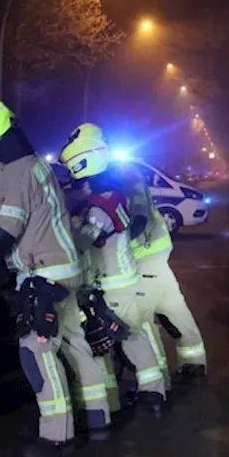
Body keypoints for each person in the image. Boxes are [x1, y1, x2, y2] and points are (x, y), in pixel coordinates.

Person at [0, 99, 111, 457]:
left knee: (36, 354)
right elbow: (20, 210)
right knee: (76, 346)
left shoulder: (15, 173)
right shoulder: (29, 166)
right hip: (65, 269)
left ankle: (56, 436)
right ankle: (99, 417)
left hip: (42, 273)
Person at [59, 131, 168, 417]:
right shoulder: (109, 196)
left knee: (130, 337)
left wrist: (66, 225)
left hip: (114, 283)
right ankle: (120, 397)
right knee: (107, 342)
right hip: (111, 281)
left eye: (76, 175)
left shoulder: (101, 206)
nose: (74, 182)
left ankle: (152, 392)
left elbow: (83, 241)